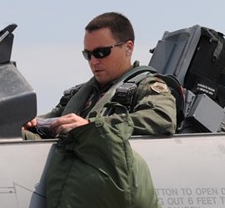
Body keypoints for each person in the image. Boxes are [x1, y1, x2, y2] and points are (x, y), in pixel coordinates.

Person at [22, 12, 177, 139]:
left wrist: (92, 126)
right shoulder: (80, 95)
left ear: (128, 48)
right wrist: (28, 125)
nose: (93, 61)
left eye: (101, 52)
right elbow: (52, 122)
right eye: (88, 54)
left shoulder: (145, 86)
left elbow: (162, 118)